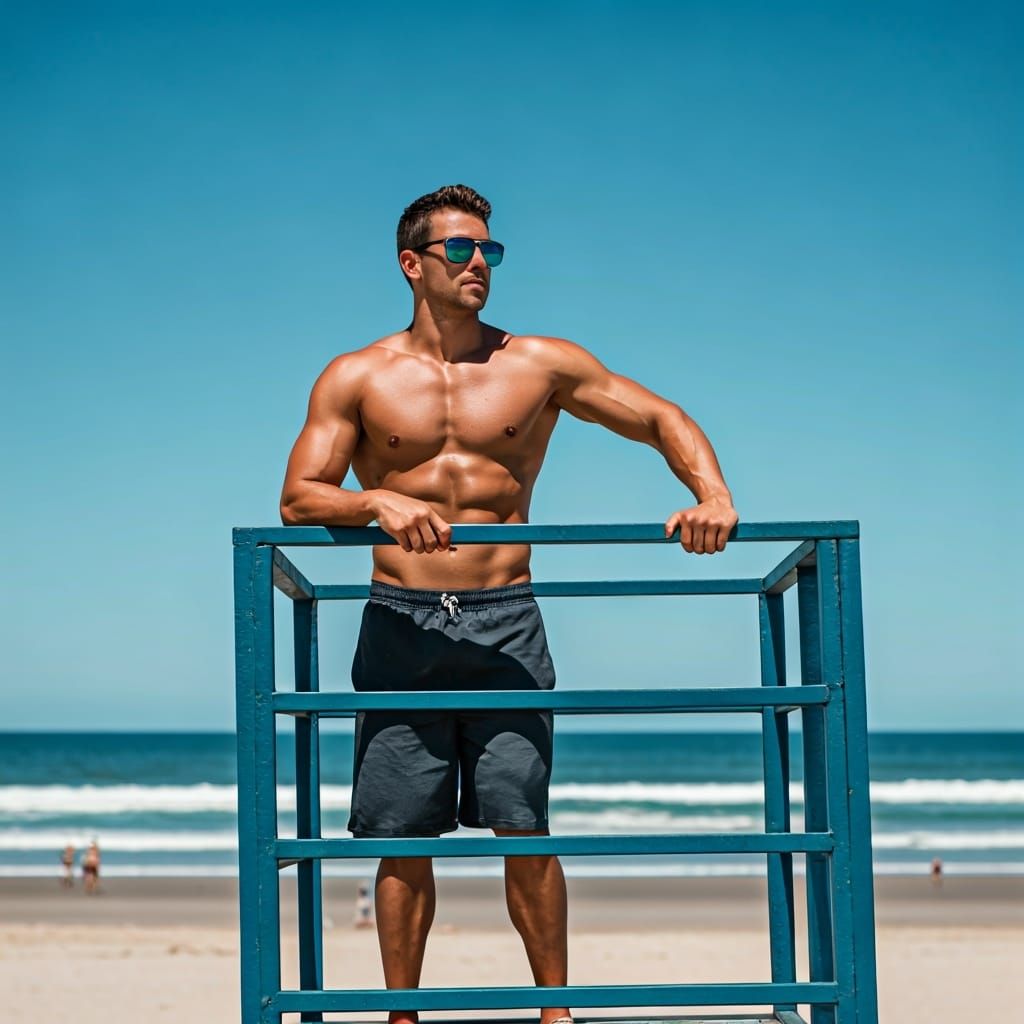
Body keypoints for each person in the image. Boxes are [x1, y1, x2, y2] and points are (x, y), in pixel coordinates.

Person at [279, 184, 738, 1024]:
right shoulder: (356, 376)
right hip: (399, 622)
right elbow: (299, 498)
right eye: (461, 249)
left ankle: (555, 1015)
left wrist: (711, 494)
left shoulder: (540, 364)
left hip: (507, 618)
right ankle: (402, 1017)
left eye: (490, 249)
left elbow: (658, 416)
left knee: (526, 826)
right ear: (412, 264)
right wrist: (375, 503)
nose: (480, 263)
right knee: (400, 838)